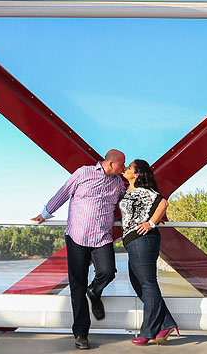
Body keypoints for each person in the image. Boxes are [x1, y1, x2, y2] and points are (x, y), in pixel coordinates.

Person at [32, 149, 127, 350]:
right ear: (111, 164)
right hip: (77, 237)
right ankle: (81, 334)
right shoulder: (83, 173)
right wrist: (45, 214)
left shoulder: (118, 183)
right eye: (122, 165)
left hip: (102, 237)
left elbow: (127, 203)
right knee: (77, 285)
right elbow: (64, 192)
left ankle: (95, 291)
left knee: (108, 272)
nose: (124, 168)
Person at [119, 159, 179, 346]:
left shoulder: (143, 190)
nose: (126, 169)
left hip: (143, 240)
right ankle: (166, 323)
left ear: (136, 174)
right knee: (138, 282)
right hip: (133, 241)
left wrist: (151, 223)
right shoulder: (128, 190)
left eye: (129, 168)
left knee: (147, 283)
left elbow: (163, 203)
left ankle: (147, 332)